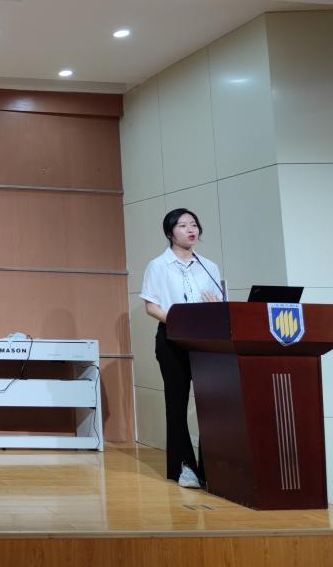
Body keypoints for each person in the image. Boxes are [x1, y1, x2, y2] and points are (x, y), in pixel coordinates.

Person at [140, 208, 223, 489]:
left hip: (205, 341)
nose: (191, 229)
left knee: (210, 405)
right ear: (169, 233)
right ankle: (183, 467)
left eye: (194, 224)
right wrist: (179, 321)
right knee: (177, 404)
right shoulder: (158, 265)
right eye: (183, 225)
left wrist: (217, 308)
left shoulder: (209, 266)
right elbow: (151, 307)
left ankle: (210, 468)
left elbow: (218, 304)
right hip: (172, 339)